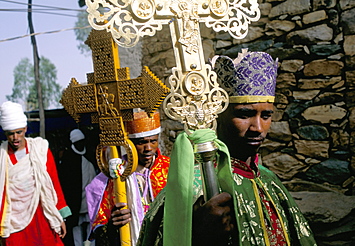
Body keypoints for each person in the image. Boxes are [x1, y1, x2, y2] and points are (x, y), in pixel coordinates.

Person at [137, 50, 317, 246]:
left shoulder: (270, 181)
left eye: (266, 116)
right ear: (218, 114)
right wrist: (198, 236)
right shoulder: (193, 188)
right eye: (245, 114)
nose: (258, 128)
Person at [85, 109, 170, 245]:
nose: (148, 148)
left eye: (153, 141)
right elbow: (101, 232)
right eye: (141, 142)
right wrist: (113, 226)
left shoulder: (170, 168)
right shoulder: (113, 176)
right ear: (129, 144)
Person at [0, 101, 72, 245]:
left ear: (25, 129)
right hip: (14, 221)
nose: (15, 138)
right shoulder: (2, 157)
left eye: (18, 132)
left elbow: (53, 183)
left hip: (42, 215)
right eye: (10, 134)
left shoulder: (40, 149)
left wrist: (60, 216)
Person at [58, 129, 97, 246]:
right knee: (76, 229)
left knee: (92, 227)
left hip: (90, 200)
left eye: (82, 141)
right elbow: (66, 182)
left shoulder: (90, 154)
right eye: (78, 142)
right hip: (76, 201)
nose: (80, 144)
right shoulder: (68, 158)